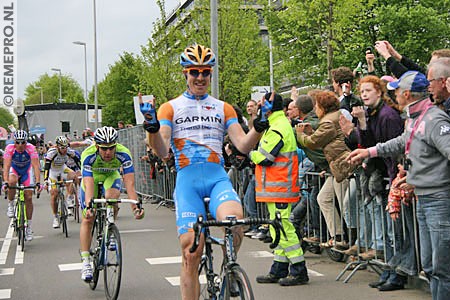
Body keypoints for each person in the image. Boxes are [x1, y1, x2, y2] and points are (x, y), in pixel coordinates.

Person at [140, 44, 268, 300]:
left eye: (205, 72)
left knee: (235, 224)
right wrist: (152, 129)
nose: (200, 78)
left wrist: (259, 126)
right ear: (185, 74)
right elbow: (162, 150)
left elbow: (242, 144)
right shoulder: (170, 107)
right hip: (188, 182)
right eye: (194, 72)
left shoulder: (224, 107)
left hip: (216, 178)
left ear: (211, 74)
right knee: (191, 251)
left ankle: (228, 266)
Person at [347, 71, 450, 300]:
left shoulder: (434, 119)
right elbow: (403, 141)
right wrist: (369, 151)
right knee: (431, 265)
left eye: (395, 90)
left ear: (406, 94)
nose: (393, 94)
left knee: (442, 268)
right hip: (424, 198)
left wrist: (429, 179)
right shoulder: (416, 118)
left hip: (437, 200)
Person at [252, 92, 309, 286]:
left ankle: (299, 270)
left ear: (267, 106)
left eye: (261, 104)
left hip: (279, 186)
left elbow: (265, 157)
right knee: (278, 228)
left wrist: (249, 153)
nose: (260, 107)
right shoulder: (278, 124)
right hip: (277, 186)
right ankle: (279, 268)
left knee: (284, 228)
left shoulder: (278, 127)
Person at [79, 126, 144, 282]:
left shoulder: (123, 154)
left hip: (111, 176)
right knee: (88, 218)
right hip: (92, 179)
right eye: (103, 149)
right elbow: (88, 184)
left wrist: (136, 207)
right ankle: (86, 261)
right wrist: (89, 205)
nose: (108, 152)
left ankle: (110, 225)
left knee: (112, 196)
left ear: (116, 145)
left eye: (111, 148)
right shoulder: (88, 155)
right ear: (97, 146)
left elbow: (130, 185)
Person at [296, 91, 356, 248]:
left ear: (322, 107)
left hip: (342, 165)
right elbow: (322, 138)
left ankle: (353, 242)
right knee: (323, 198)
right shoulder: (331, 119)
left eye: (316, 106)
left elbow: (313, 142)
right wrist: (310, 132)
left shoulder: (328, 121)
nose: (315, 109)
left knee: (345, 206)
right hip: (335, 167)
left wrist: (300, 134)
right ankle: (337, 235)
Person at [2, 130, 42, 241]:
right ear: (14, 142)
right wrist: (5, 182)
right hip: (14, 170)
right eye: (18, 142)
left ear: (26, 142)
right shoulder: (9, 148)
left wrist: (38, 182)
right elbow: (6, 166)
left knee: (28, 197)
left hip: (26, 171)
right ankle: (10, 205)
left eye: (23, 142)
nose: (20, 145)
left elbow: (35, 167)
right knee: (11, 182)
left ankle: (28, 227)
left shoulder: (31, 148)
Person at [43, 136, 80, 228]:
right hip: (53, 172)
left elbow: (77, 161)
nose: (64, 150)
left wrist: (81, 170)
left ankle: (69, 197)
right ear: (57, 147)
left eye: (66, 147)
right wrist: (45, 180)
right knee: (54, 194)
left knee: (73, 175)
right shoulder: (52, 153)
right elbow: (46, 167)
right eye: (62, 148)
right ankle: (55, 216)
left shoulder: (69, 151)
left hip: (63, 169)